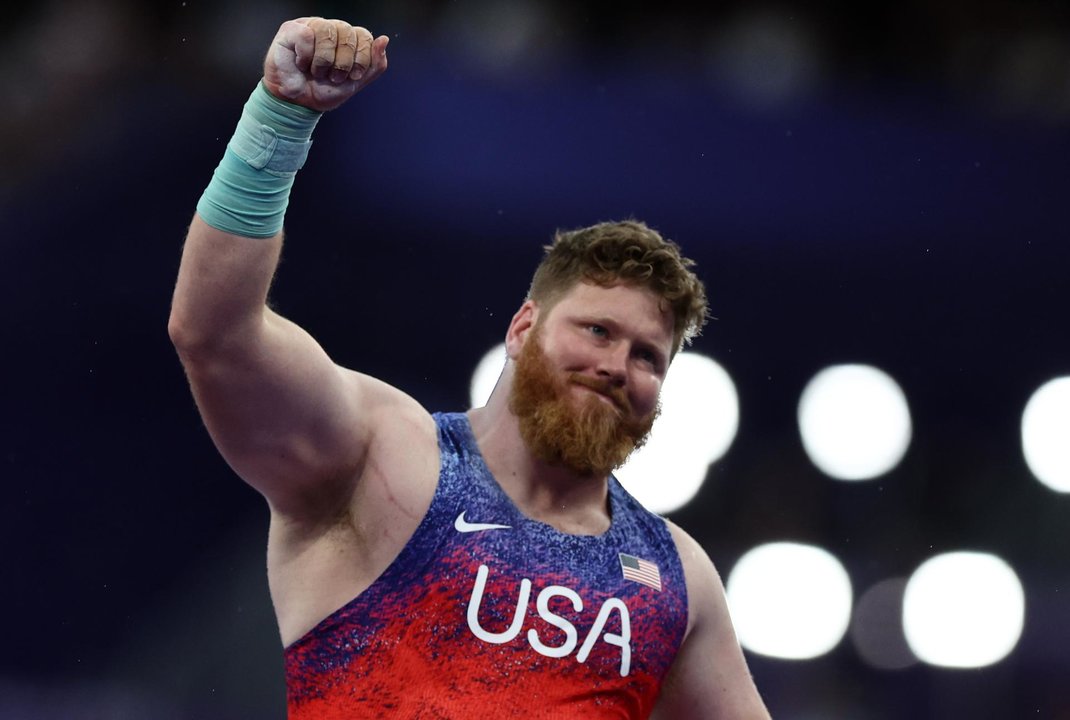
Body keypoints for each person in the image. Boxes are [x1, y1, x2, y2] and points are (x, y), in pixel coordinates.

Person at [169, 16, 771, 720]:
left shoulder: (676, 578)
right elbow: (214, 333)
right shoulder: (381, 456)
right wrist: (280, 117)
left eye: (648, 357)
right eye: (598, 331)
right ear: (523, 328)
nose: (616, 365)